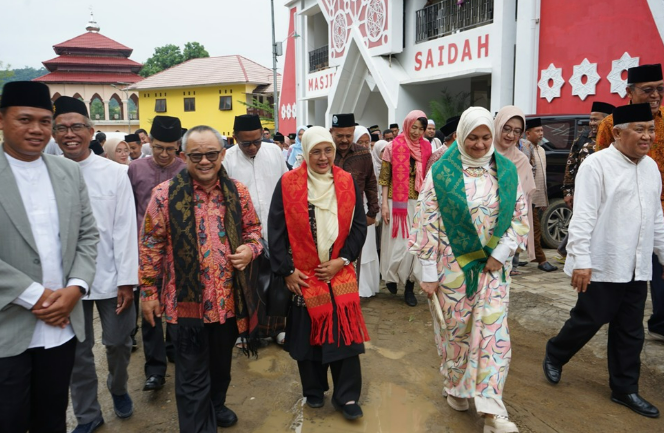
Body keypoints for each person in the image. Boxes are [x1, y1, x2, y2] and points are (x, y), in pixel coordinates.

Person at [409, 106, 528, 433]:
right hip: (452, 268)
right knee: (456, 333)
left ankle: (492, 411)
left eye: (485, 137)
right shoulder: (442, 171)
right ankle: (456, 386)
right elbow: (426, 222)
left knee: (493, 335)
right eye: (472, 137)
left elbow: (519, 218)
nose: (479, 144)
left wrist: (501, 253)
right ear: (460, 136)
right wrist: (428, 272)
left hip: (492, 270)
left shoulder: (505, 171)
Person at [140, 125, 262, 432]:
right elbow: (150, 246)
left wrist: (250, 249)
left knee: (221, 369)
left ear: (222, 154)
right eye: (196, 155)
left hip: (228, 303)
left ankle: (216, 403)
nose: (205, 161)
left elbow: (253, 231)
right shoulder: (164, 195)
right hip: (186, 306)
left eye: (211, 154)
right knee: (192, 378)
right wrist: (149, 293)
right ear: (184, 156)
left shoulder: (238, 192)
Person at [544, 103, 662, 419]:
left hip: (637, 266)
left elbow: (656, 217)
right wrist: (581, 260)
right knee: (589, 319)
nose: (647, 136)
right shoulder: (596, 165)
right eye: (640, 129)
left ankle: (624, 389)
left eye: (650, 129)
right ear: (619, 132)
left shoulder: (650, 167)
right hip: (604, 262)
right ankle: (555, 352)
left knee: (630, 329)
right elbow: (582, 217)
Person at [0, 81, 99, 433]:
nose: (37, 130)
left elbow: (89, 236)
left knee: (52, 418)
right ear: (2, 120)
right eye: (25, 119)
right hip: (8, 327)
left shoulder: (67, 172)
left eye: (45, 121)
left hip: (61, 327)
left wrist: (75, 288)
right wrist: (34, 296)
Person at [268, 126, 369, 420]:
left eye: (328, 150)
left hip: (338, 272)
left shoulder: (347, 182)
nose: (323, 157)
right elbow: (275, 229)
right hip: (304, 273)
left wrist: (344, 259)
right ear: (305, 152)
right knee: (307, 334)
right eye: (316, 151)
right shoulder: (288, 183)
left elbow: (359, 226)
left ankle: (347, 397)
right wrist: (286, 271)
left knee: (344, 335)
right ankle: (313, 390)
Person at [52, 96, 138, 433]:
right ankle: (88, 414)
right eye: (61, 128)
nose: (69, 134)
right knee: (77, 353)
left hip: (110, 276)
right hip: (66, 281)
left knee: (118, 342)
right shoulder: (48, 169)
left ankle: (118, 387)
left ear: (91, 131)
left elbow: (124, 227)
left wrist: (126, 280)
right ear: (54, 133)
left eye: (76, 127)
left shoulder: (115, 173)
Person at [596, 64, 664, 342]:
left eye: (660, 88)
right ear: (630, 92)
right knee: (624, 283)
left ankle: (659, 323)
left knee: (659, 271)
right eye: (647, 90)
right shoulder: (611, 125)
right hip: (624, 217)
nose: (655, 95)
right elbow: (601, 168)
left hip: (659, 213)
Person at [128, 115, 186, 392]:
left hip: (179, 257)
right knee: (150, 311)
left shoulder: (186, 171)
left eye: (170, 149)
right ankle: (154, 369)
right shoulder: (134, 170)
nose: (164, 154)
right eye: (158, 147)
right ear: (148, 142)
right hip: (147, 255)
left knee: (179, 309)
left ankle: (175, 350)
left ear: (178, 147)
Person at [223, 114, 288, 343]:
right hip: (245, 235)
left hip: (276, 228)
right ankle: (248, 332)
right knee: (248, 284)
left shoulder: (274, 152)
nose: (252, 147)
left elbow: (285, 186)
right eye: (245, 143)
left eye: (257, 141)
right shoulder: (227, 159)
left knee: (278, 280)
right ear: (234, 138)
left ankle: (278, 329)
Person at [379, 110, 432, 306]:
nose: (417, 132)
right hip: (395, 203)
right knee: (397, 246)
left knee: (415, 247)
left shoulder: (426, 148)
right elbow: (384, 179)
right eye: (414, 127)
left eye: (421, 128)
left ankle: (409, 286)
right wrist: (384, 204)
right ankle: (391, 276)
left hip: (419, 204)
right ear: (407, 125)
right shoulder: (392, 147)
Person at [331, 113, 380, 300]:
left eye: (348, 136)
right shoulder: (325, 152)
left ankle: (350, 296)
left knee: (352, 255)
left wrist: (372, 212)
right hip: (327, 216)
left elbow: (371, 184)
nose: (344, 140)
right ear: (332, 132)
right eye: (339, 136)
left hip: (354, 215)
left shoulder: (363, 154)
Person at [558, 101, 615, 260]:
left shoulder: (616, 140)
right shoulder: (582, 140)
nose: (592, 123)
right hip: (584, 193)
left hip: (608, 193)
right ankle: (578, 256)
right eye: (590, 119)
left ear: (607, 121)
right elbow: (571, 166)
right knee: (583, 224)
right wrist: (568, 191)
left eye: (596, 119)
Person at [494, 106, 537, 277]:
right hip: (477, 228)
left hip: (505, 234)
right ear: (497, 126)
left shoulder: (522, 161)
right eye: (507, 128)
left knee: (497, 289)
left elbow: (524, 205)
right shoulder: (482, 153)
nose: (511, 135)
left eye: (517, 131)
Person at [522, 118, 558, 272]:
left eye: (542, 131)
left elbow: (541, 176)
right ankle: (541, 260)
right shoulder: (524, 148)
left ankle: (520, 257)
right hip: (526, 196)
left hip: (538, 197)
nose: (541, 134)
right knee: (534, 229)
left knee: (530, 229)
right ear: (528, 133)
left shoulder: (542, 150)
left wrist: (544, 199)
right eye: (537, 131)